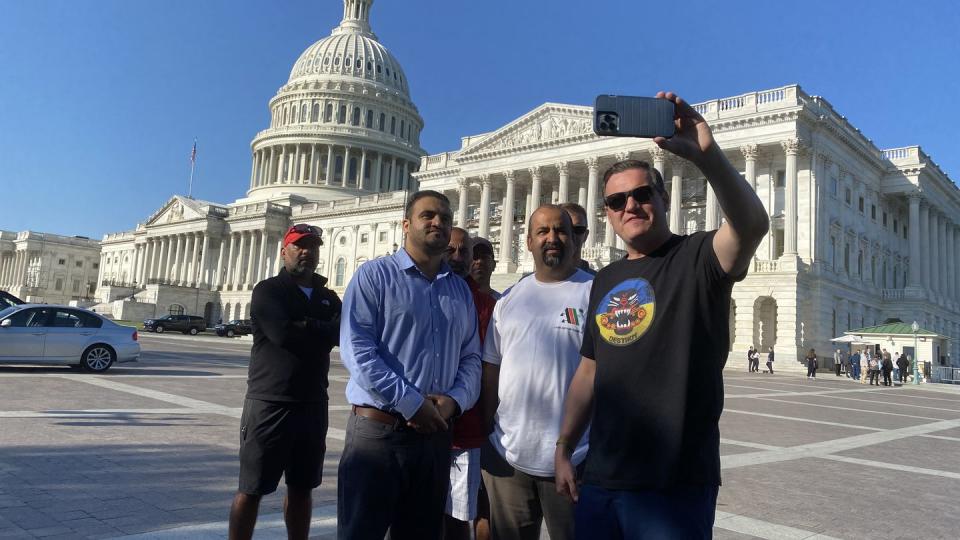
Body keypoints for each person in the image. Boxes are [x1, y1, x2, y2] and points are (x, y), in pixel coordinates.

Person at [554, 91, 769, 538]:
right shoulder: (606, 278)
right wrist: (564, 446)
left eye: (640, 194)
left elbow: (751, 225)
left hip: (673, 483)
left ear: (662, 197)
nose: (629, 206)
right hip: (602, 476)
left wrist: (706, 156)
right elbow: (589, 371)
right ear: (608, 216)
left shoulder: (699, 258)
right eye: (616, 202)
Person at [337, 190, 482, 539]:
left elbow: (471, 357)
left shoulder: (460, 290)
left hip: (434, 435)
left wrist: (455, 401)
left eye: (445, 219)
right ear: (405, 225)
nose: (438, 223)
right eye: (428, 215)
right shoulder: (374, 277)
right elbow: (357, 352)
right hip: (378, 433)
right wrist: (412, 403)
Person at [481, 205, 593, 540]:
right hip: (509, 458)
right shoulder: (510, 298)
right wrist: (488, 433)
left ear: (574, 238)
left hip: (577, 457)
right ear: (528, 241)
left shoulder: (595, 292)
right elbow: (492, 368)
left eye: (560, 230)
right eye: (542, 232)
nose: (552, 238)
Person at [228, 224, 342, 540]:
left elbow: (341, 333)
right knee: (251, 489)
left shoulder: (327, 296)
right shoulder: (268, 290)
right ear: (284, 250)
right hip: (269, 403)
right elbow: (282, 334)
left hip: (312, 403)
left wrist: (307, 326)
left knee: (303, 488)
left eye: (314, 246)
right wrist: (321, 330)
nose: (307, 252)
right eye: (300, 245)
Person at [443, 228, 497, 540]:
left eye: (468, 252)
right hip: (420, 424)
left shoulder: (488, 305)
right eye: (454, 251)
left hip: (467, 426)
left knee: (463, 513)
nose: (461, 259)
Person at [560, 202, 596, 275]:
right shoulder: (531, 283)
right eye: (563, 229)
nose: (571, 235)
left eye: (578, 229)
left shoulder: (601, 282)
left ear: (585, 235)